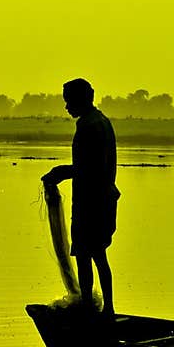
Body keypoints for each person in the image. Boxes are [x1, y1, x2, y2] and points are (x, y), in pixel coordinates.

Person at [42, 79, 120, 319]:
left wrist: (62, 172)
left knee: (87, 257)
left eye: (69, 101)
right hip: (103, 200)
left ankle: (89, 308)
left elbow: (90, 168)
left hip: (92, 203)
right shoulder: (102, 121)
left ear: (83, 98)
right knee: (99, 255)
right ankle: (107, 308)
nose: (66, 107)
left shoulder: (89, 125)